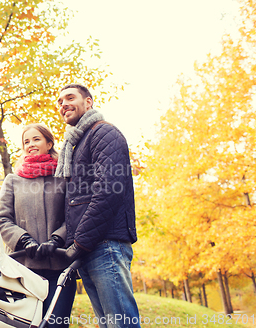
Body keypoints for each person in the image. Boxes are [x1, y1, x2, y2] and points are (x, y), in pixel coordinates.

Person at [55, 83, 141, 328]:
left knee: (120, 324)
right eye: (60, 102)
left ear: (89, 102)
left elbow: (108, 191)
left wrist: (80, 241)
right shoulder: (77, 144)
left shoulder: (103, 133)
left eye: (70, 98)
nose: (63, 105)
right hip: (90, 246)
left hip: (105, 244)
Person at [0, 123, 76, 328]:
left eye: (36, 139)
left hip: (59, 267)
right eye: (26, 141)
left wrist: (57, 238)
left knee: (55, 325)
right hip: (22, 269)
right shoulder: (12, 180)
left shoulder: (64, 178)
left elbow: (74, 215)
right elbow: (2, 219)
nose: (31, 144)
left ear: (49, 143)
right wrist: (24, 240)